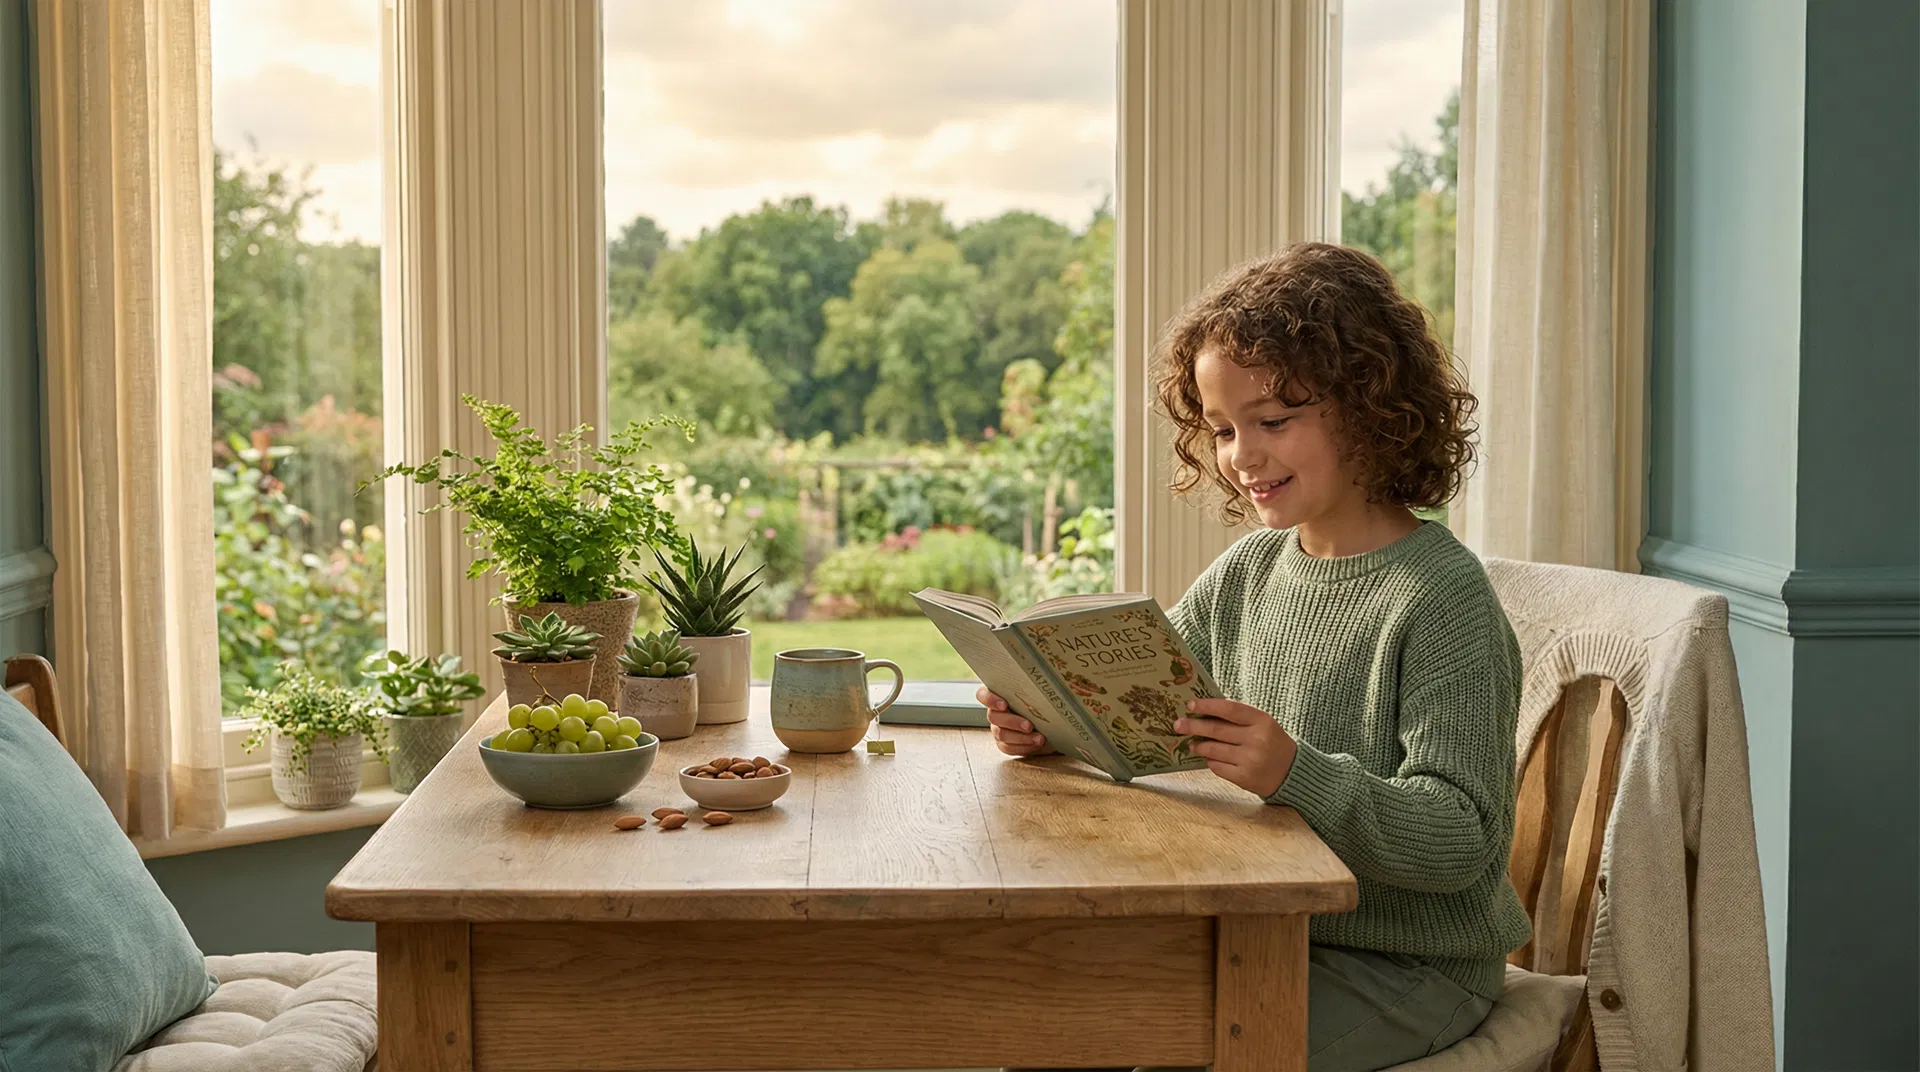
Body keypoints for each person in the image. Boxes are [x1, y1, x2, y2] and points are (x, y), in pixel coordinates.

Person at [984, 243, 1533, 1071]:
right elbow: (1155, 713)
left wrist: (1293, 773)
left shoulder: (1439, 598)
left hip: (1406, 969)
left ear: (1372, 407)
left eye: (1274, 421)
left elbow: (1463, 839)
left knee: (1155, 1049)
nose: (1243, 456)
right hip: (1261, 931)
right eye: (1224, 430)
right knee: (1053, 1020)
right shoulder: (1250, 570)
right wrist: (1055, 723)